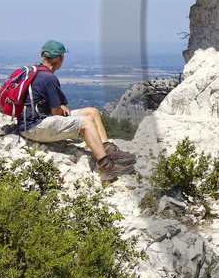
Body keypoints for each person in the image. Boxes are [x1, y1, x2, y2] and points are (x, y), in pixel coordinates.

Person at [17, 40, 134, 177]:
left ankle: (107, 149)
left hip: (30, 122)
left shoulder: (36, 71)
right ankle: (106, 166)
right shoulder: (49, 78)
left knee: (92, 112)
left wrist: (59, 106)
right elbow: (56, 113)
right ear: (61, 57)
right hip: (35, 128)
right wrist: (60, 109)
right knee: (87, 122)